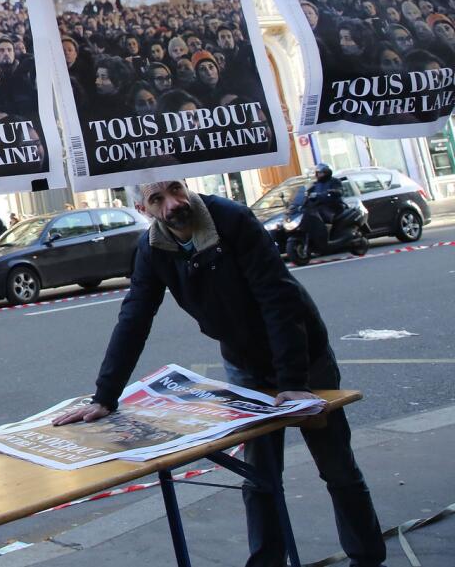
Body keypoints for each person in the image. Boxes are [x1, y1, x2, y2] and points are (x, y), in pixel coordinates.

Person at [53, 180, 385, 567]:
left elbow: (276, 298)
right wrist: (105, 397)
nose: (173, 204)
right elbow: (134, 318)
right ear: (144, 210)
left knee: (336, 467)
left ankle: (367, 558)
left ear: (188, 186)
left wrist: (293, 382)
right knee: (260, 476)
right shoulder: (151, 249)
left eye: (176, 190)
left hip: (302, 356)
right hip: (244, 364)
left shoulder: (232, 218)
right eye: (157, 200)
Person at [302, 163, 344, 255]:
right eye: (317, 173)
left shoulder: (334, 181)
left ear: (326, 172)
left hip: (333, 206)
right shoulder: (315, 184)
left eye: (320, 173)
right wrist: (303, 199)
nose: (317, 175)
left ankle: (327, 238)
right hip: (319, 207)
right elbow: (306, 193)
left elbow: (339, 191)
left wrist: (332, 191)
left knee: (324, 217)